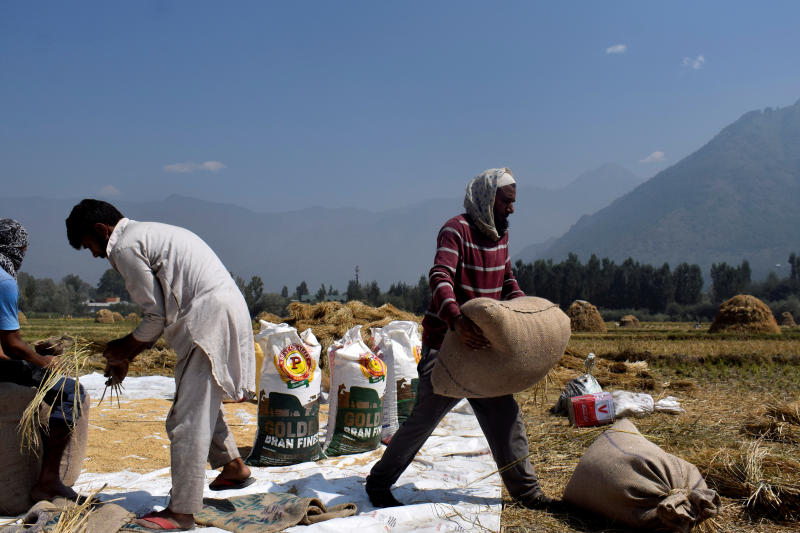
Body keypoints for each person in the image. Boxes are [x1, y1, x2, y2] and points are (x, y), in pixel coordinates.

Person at [365, 168, 558, 510]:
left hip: (485, 349)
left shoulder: (500, 235)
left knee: (505, 418)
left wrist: (525, 313)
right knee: (424, 418)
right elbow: (440, 276)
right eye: (506, 202)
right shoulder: (457, 230)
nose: (512, 209)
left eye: (513, 203)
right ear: (487, 199)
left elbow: (507, 281)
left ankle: (528, 494)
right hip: (450, 345)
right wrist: (456, 319)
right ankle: (378, 483)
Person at [66, 200, 256, 532]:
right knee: (197, 400)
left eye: (90, 246)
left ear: (101, 230)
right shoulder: (146, 234)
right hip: (221, 310)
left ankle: (181, 512)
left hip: (207, 319)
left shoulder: (124, 246)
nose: (95, 255)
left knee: (187, 419)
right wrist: (127, 353)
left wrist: (122, 351)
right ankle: (233, 465)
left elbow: (156, 316)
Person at [0, 218, 87, 502]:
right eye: (23, 250)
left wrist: (32, 355)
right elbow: (12, 346)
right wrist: (42, 361)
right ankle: (48, 481)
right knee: (71, 393)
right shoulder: (4, 280)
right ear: (17, 249)